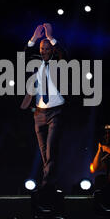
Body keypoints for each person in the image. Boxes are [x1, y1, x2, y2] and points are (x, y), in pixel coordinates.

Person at [20, 23, 67, 192]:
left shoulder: (59, 63)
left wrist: (50, 37)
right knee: (44, 153)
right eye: (42, 48)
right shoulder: (35, 64)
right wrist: (34, 38)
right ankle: (50, 185)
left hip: (55, 112)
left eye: (47, 48)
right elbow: (24, 55)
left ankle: (47, 186)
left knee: (51, 151)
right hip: (39, 113)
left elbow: (64, 53)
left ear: (52, 50)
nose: (44, 51)